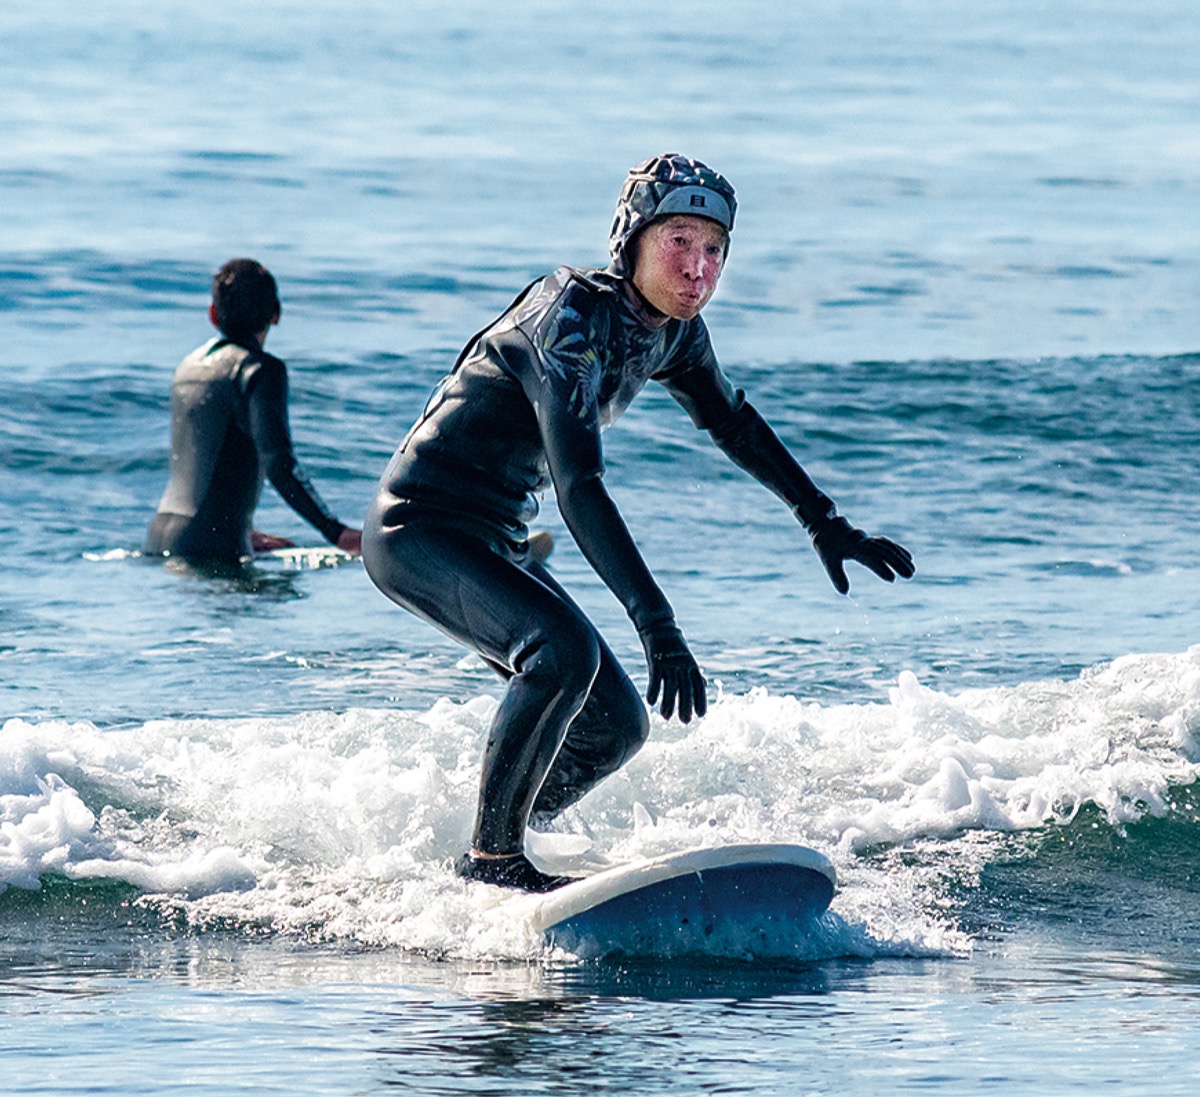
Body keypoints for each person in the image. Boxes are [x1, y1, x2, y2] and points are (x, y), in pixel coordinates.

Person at [362, 154, 915, 892]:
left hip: (496, 534)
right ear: (633, 239)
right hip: (418, 527)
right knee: (558, 655)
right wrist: (656, 623)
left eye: (715, 249)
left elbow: (733, 421)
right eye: (680, 241)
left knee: (614, 727)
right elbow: (580, 486)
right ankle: (492, 861)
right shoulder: (567, 316)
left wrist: (823, 521)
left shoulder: (673, 333)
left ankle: (499, 832)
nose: (700, 268)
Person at [145, 259, 362, 566]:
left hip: (160, 538)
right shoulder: (259, 369)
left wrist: (240, 529)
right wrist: (336, 531)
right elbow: (277, 460)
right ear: (276, 314)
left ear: (212, 314)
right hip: (212, 544)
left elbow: (199, 463)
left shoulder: (188, 367)